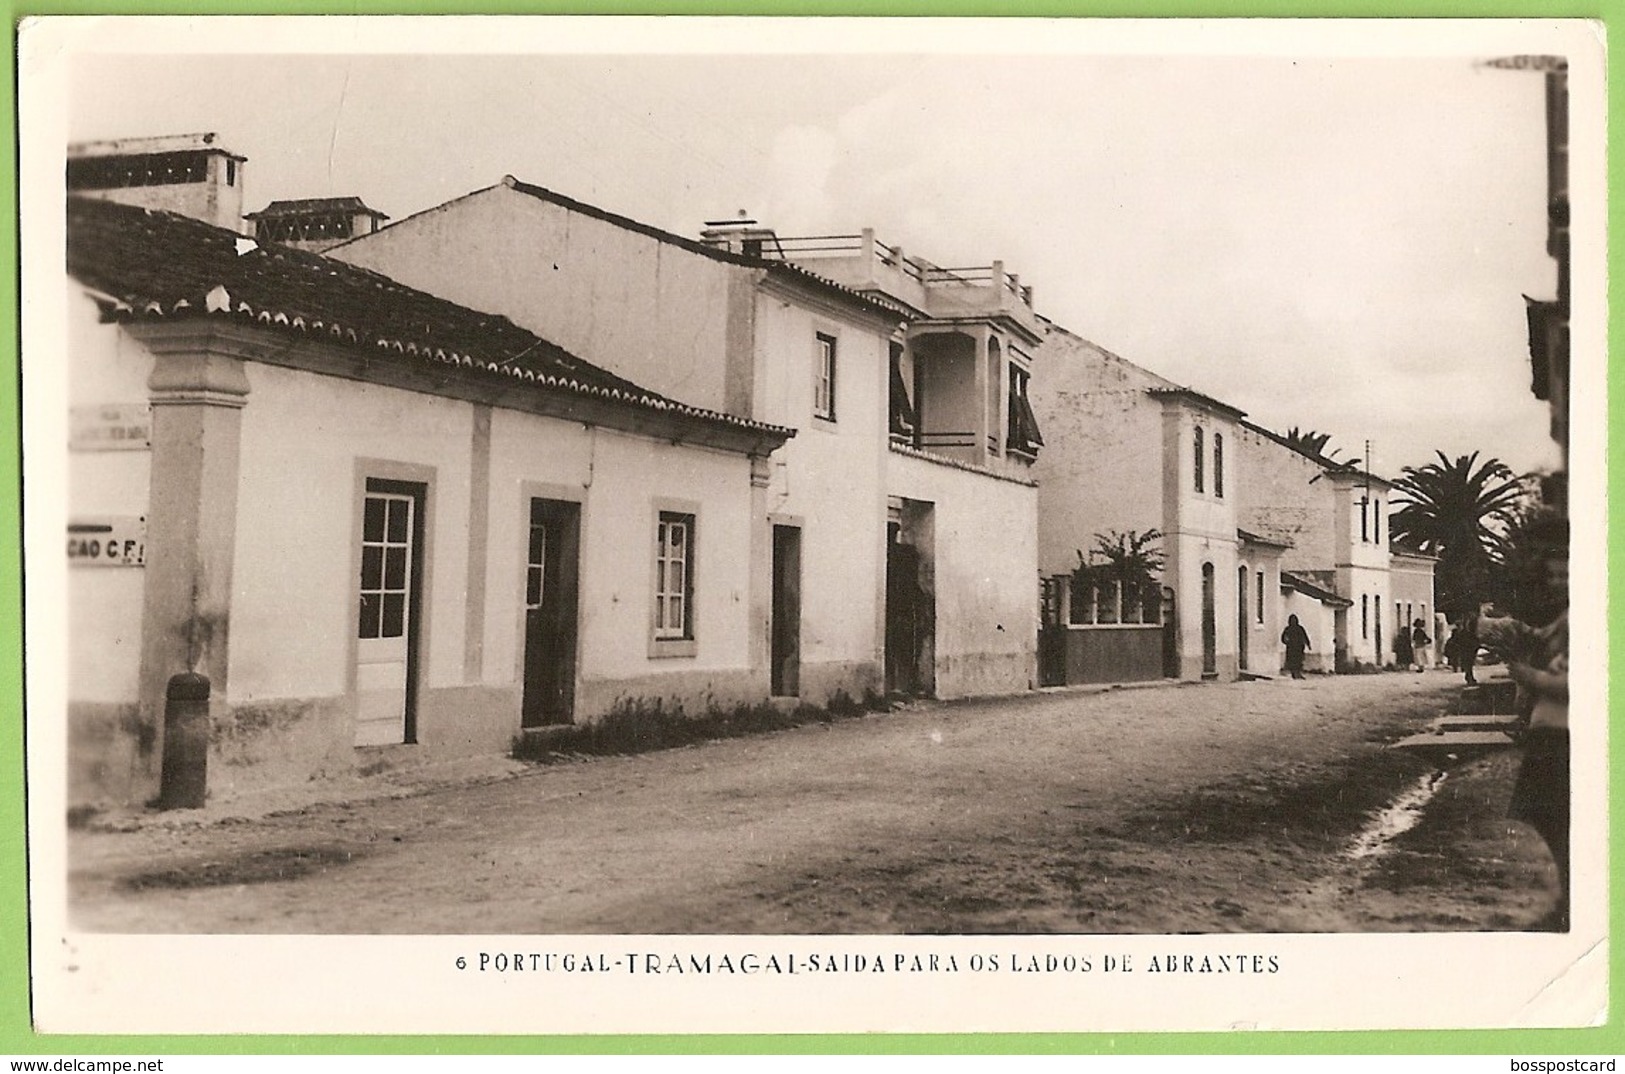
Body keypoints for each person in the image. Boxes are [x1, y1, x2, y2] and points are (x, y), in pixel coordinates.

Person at [1280, 614, 1311, 680]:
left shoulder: (1299, 628)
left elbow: (1304, 636)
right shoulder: (1288, 629)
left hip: (1298, 648)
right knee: (1293, 661)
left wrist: (1308, 644)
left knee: (1298, 661)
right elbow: (1283, 637)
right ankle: (1294, 673)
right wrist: (1286, 642)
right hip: (1292, 648)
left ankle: (1297, 673)